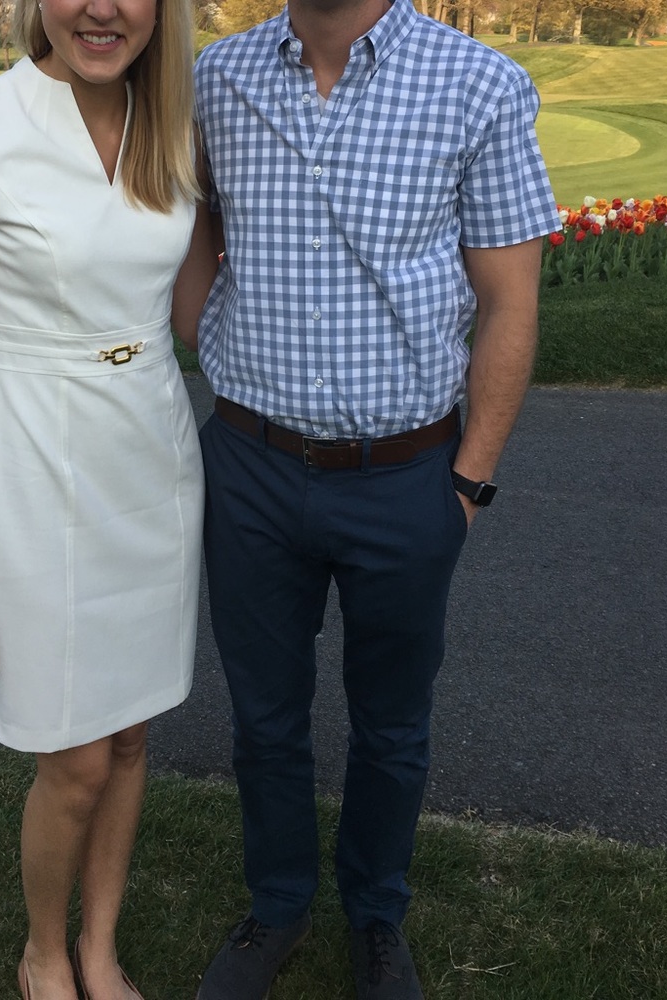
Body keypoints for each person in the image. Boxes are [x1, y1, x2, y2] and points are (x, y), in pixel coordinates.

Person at [192, 0, 561, 997]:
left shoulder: (477, 84)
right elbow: (194, 229)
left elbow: (511, 302)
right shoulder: (216, 80)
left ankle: (375, 912)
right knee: (264, 718)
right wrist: (203, 333)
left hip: (405, 475)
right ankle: (277, 905)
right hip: (252, 465)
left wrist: (467, 484)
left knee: (392, 724)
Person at [0, 0, 214, 993]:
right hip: (33, 468)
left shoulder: (173, 129)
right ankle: (44, 949)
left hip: (152, 465)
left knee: (129, 733)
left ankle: (99, 946)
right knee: (74, 761)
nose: (101, 8)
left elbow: (196, 315)